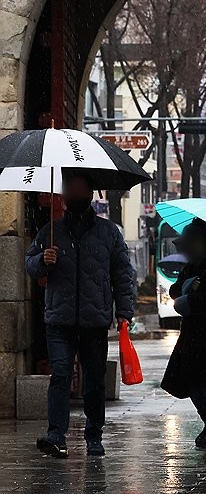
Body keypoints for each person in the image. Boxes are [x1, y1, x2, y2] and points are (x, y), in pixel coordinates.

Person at [23, 170, 135, 459]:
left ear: (90, 193)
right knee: (60, 374)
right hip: (58, 318)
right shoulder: (51, 231)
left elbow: (122, 274)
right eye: (68, 188)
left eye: (78, 188)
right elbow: (30, 265)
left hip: (94, 320)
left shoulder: (108, 233)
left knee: (95, 379)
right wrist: (42, 260)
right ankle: (56, 434)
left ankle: (94, 435)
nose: (72, 193)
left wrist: (125, 311)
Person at [160, 218, 206, 450]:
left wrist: (192, 300)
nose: (185, 248)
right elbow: (174, 289)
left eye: (189, 243)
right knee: (191, 383)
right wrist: (186, 287)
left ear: (200, 241)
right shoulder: (195, 264)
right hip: (194, 334)